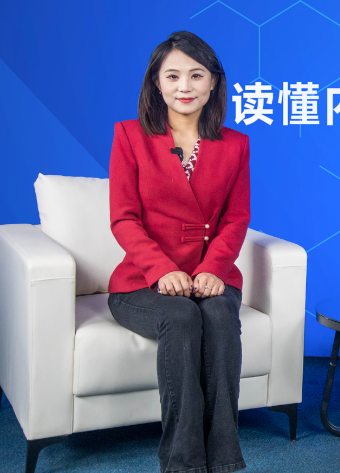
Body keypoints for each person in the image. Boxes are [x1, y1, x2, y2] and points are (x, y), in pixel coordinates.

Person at [107, 31, 251, 473]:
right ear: (156, 83)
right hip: (142, 282)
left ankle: (224, 459)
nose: (184, 86)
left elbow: (236, 219)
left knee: (220, 316)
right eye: (172, 76)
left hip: (211, 275)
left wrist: (214, 268)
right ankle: (182, 463)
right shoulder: (129, 136)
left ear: (213, 83)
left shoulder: (236, 145)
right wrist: (161, 270)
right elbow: (123, 219)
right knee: (182, 315)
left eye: (196, 75)